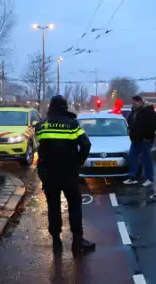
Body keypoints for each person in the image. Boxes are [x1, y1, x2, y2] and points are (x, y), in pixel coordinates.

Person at [35, 95, 95, 255]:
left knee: (53, 206)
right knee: (74, 205)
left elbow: (40, 144)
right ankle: (77, 241)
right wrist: (79, 161)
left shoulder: (42, 125)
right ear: (64, 107)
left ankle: (56, 240)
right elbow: (86, 144)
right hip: (69, 172)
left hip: (49, 173)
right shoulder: (72, 125)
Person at [123, 95, 156, 187]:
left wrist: (146, 135)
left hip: (145, 140)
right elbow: (131, 122)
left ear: (140, 102)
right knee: (132, 157)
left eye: (135, 102)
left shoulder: (149, 112)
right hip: (135, 139)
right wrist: (129, 129)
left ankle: (149, 178)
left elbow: (155, 126)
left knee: (146, 159)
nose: (133, 104)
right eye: (133, 102)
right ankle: (133, 178)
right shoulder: (134, 111)